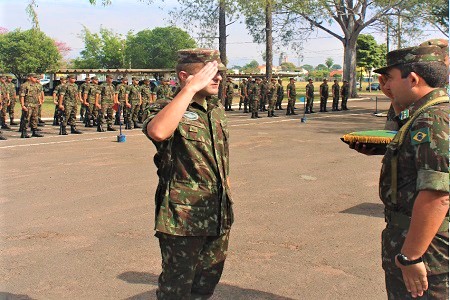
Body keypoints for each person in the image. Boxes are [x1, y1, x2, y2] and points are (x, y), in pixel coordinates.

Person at [354, 44, 449, 299]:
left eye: (391, 79)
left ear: (414, 79)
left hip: (426, 251)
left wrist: (411, 256)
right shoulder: (425, 113)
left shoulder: (432, 120)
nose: (387, 86)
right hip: (413, 241)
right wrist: (395, 98)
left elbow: (437, 195)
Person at [142, 48, 233, 300]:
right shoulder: (164, 107)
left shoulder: (215, 109)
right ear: (184, 76)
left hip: (217, 212)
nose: (217, 79)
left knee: (205, 285)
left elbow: (219, 157)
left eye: (219, 74)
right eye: (209, 74)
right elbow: (158, 132)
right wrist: (190, 91)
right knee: (176, 289)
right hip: (183, 218)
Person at [19, 73, 43, 138]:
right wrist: (23, 105)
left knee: (35, 118)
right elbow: (22, 96)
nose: (36, 79)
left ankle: (34, 131)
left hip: (35, 104)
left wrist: (39, 101)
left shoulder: (36, 85)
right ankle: (24, 132)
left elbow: (38, 94)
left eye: (36, 77)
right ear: (29, 77)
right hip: (28, 104)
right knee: (26, 118)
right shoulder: (24, 85)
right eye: (34, 77)